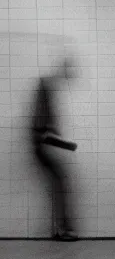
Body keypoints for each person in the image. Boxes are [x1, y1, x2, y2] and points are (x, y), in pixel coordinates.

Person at [31, 57, 78, 241]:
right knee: (60, 182)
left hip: (42, 141)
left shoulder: (48, 86)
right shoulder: (46, 85)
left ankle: (60, 228)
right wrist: (60, 141)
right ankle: (61, 229)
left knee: (60, 181)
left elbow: (44, 122)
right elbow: (41, 125)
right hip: (42, 143)